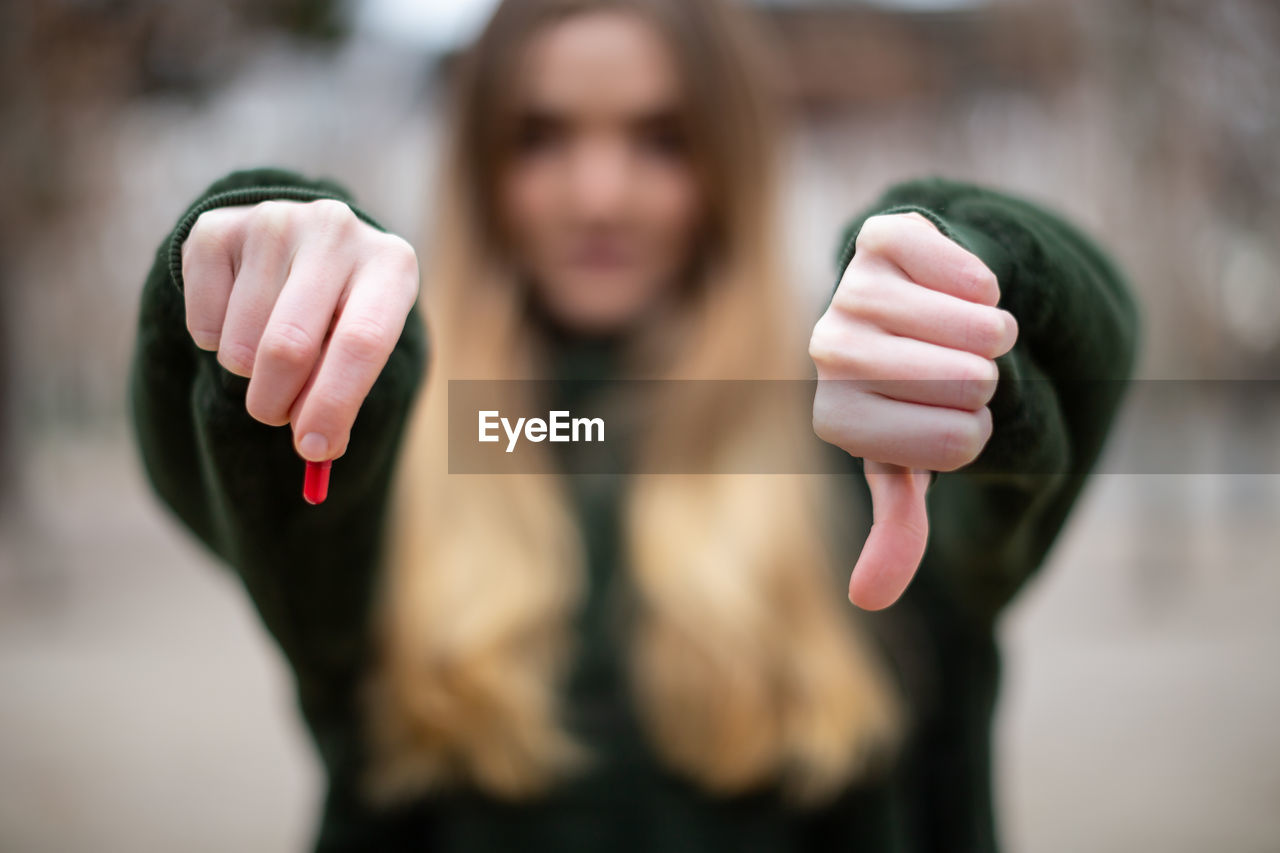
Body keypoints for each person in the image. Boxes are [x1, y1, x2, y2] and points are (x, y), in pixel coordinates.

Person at [127, 0, 1139, 850]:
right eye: (541, 136)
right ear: (479, 167)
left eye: (661, 140)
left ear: (728, 165)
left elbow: (1066, 380)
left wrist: (971, 285)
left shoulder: (864, 442)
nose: (597, 197)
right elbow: (225, 460)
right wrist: (265, 282)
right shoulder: (387, 445)